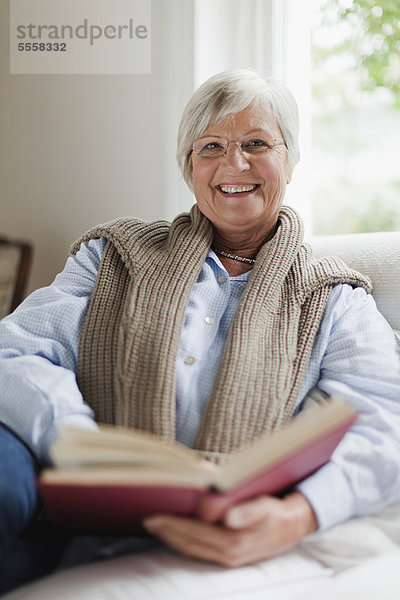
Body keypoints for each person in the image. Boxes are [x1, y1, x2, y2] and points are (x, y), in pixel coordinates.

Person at [0, 69, 399, 590]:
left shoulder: (336, 298)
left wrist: (299, 515)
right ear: (189, 167)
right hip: (67, 493)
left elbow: (387, 422)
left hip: (220, 526)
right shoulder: (112, 255)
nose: (234, 163)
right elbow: (16, 351)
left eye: (256, 143)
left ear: (290, 160)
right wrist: (74, 438)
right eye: (211, 146)